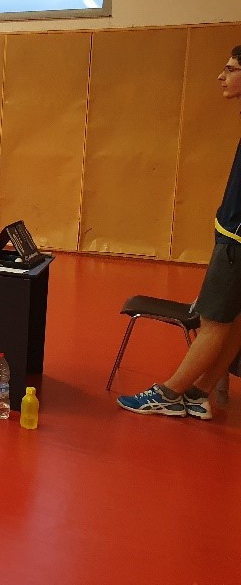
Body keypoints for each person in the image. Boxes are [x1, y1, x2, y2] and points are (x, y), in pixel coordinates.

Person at [117, 45, 241, 420]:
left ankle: (170, 394)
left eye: (231, 69)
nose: (221, 76)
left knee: (213, 323)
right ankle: (199, 394)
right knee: (232, 322)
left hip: (236, 243)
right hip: (233, 237)